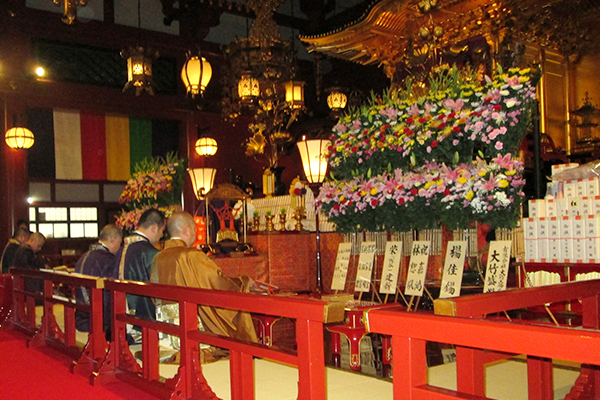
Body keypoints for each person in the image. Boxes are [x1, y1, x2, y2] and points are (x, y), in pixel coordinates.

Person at [151, 211, 258, 343]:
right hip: (191, 326)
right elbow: (217, 281)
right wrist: (243, 282)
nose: (196, 234)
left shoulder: (158, 257)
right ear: (186, 230)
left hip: (167, 328)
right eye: (195, 229)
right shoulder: (190, 255)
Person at [112, 208, 165, 323]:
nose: (161, 235)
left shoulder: (122, 249)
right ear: (154, 227)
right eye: (162, 230)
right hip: (142, 319)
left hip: (118, 314)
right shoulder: (150, 253)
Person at [74, 225, 123, 333]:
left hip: (81, 316)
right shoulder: (106, 259)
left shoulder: (84, 256)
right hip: (98, 320)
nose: (119, 248)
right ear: (112, 240)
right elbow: (110, 293)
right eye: (119, 243)